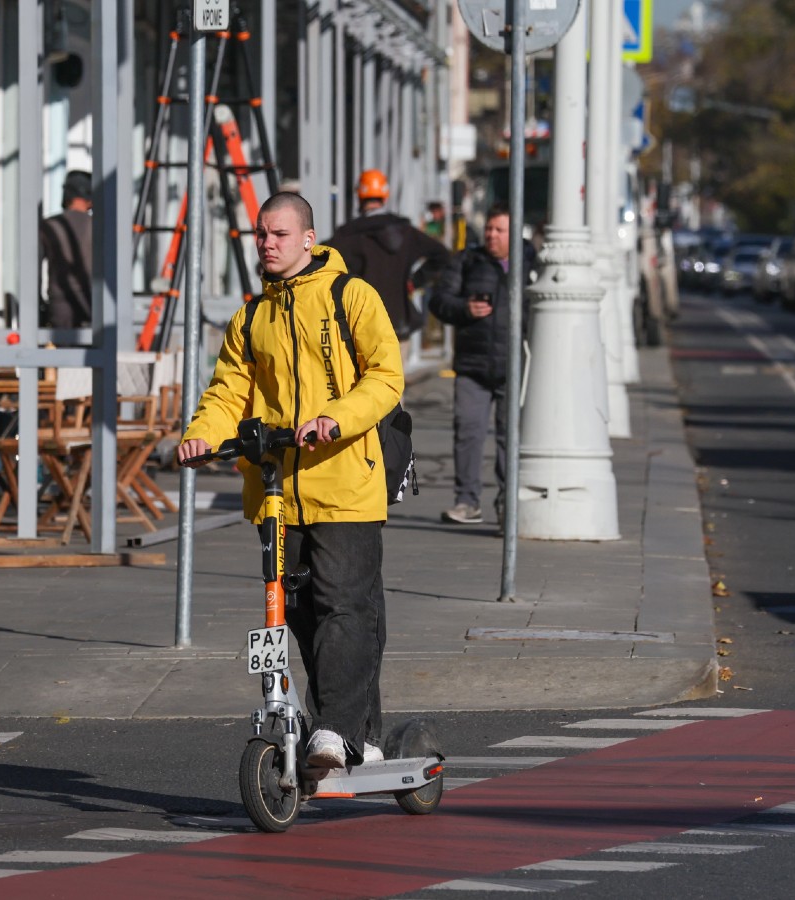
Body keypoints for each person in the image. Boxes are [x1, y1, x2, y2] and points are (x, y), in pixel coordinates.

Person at [176, 191, 403, 769]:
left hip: (347, 482)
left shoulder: (350, 296)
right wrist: (203, 433)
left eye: (278, 234)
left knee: (345, 608)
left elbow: (386, 377)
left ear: (308, 238)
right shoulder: (252, 316)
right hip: (278, 494)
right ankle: (363, 736)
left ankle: (332, 731)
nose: (267, 244)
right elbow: (229, 389)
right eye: (260, 234)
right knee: (301, 619)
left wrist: (336, 417)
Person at [428, 203, 536, 525]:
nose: (491, 235)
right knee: (468, 432)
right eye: (489, 228)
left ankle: (508, 505)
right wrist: (464, 308)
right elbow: (439, 300)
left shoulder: (532, 262)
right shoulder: (468, 260)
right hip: (472, 366)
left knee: (510, 436)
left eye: (499, 230)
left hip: (514, 367)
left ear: (514, 233)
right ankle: (466, 501)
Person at [326, 169, 450, 360]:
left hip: (359, 326)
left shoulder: (348, 236)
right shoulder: (407, 233)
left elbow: (320, 259)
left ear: (359, 196)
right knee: (392, 386)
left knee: (360, 388)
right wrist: (415, 282)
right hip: (398, 324)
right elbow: (442, 255)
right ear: (385, 195)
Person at [39, 170, 93, 329]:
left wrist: (38, 305)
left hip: (59, 306)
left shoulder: (49, 225)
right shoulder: (98, 226)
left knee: (61, 352)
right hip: (91, 304)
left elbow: (33, 270)